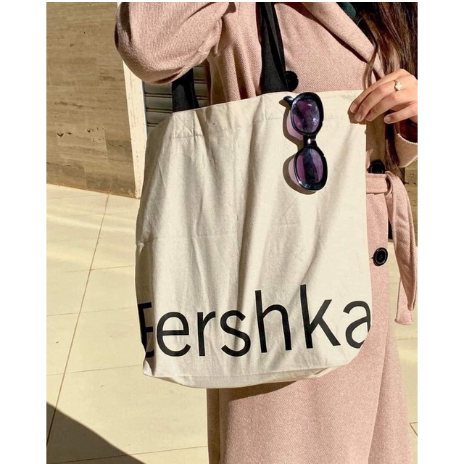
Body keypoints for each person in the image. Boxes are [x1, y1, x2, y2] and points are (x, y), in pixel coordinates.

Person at [115, 3, 418, 463]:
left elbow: (384, 148)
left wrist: (413, 114)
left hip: (357, 265)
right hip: (279, 270)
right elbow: (148, 46)